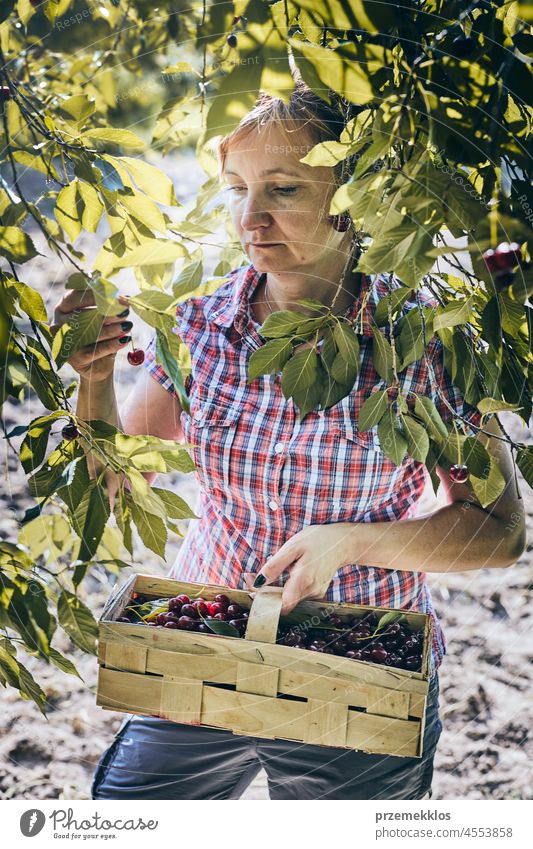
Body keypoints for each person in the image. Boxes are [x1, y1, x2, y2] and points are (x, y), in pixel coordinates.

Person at [52, 80, 525, 800]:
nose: (250, 217)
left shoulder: (424, 345)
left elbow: (497, 534)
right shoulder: (202, 328)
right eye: (237, 188)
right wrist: (93, 381)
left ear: (353, 200)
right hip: (207, 639)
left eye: (283, 189)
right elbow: (118, 487)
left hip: (355, 664)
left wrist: (349, 541)